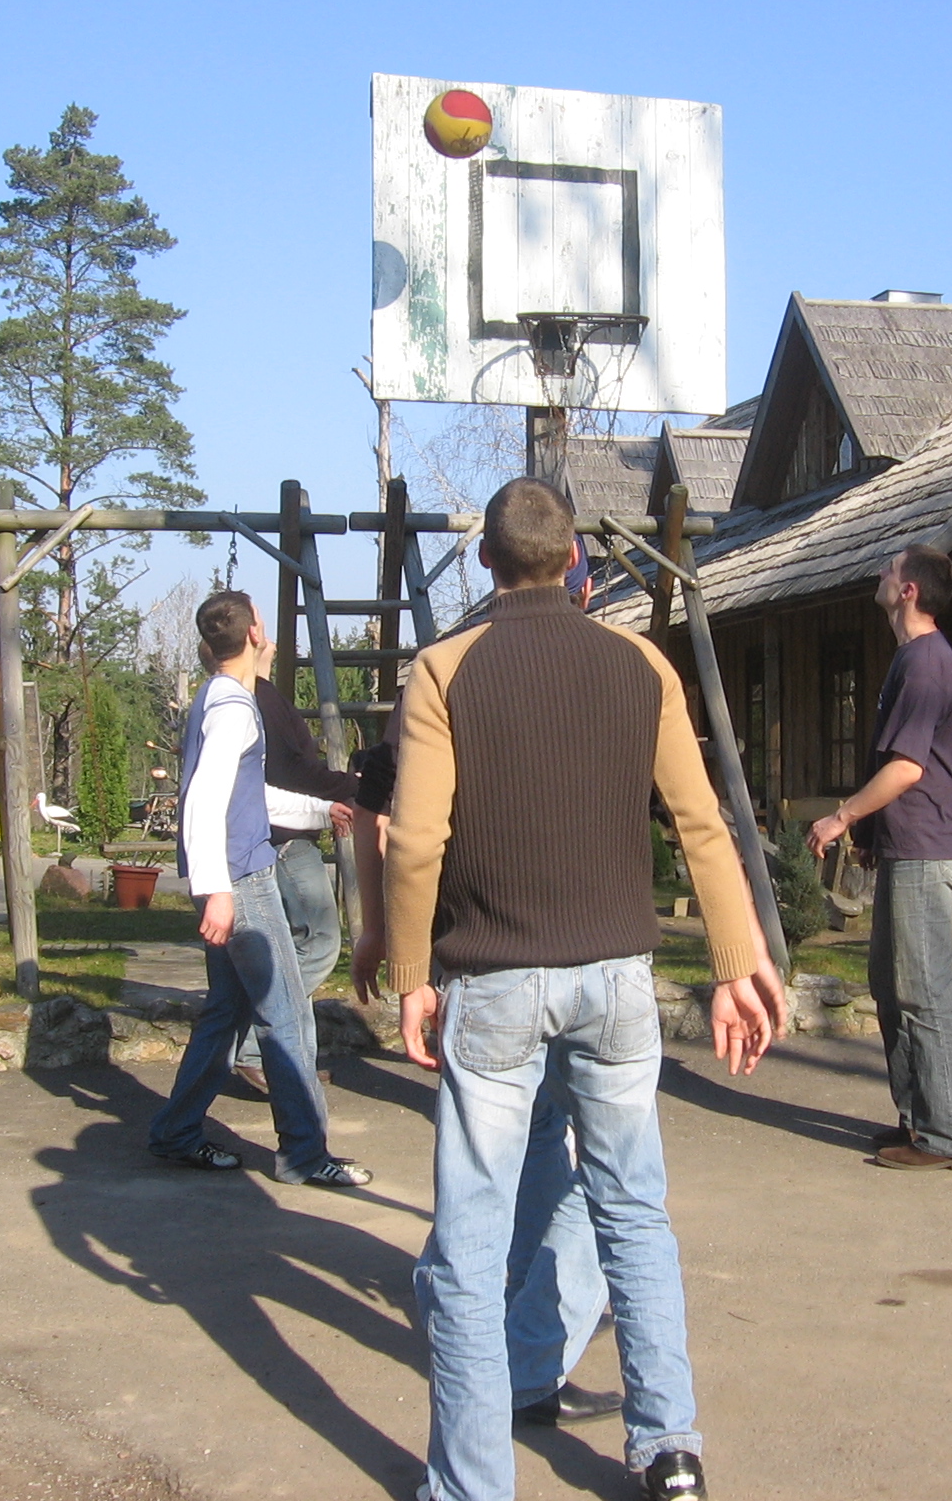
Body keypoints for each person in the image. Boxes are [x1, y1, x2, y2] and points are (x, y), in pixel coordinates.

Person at [387, 477, 786, 1501]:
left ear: (486, 562)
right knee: (632, 1213)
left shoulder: (442, 670)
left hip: (492, 980)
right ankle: (670, 1453)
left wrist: (409, 977)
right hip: (617, 982)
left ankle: (472, 1487)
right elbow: (700, 825)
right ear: (575, 562)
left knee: (470, 1247)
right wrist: (734, 964)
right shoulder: (642, 665)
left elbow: (416, 841)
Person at [347, 547, 627, 1435]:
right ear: (577, 578)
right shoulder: (574, 672)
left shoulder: (456, 665)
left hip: (486, 953)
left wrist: (384, 933)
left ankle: (480, 1311)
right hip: (537, 954)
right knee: (599, 1178)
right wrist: (392, 942)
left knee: (512, 1153)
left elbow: (378, 806)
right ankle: (526, 1352)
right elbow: (391, 812)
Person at [145, 589, 371, 1189]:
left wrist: (319, 810)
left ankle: (176, 1131)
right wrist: (217, 890)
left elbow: (245, 795)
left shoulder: (220, 697)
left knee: (227, 1011)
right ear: (253, 634)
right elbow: (203, 800)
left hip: (233, 878)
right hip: (242, 881)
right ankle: (304, 1154)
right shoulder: (233, 707)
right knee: (287, 1014)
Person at [809, 546, 952, 1172]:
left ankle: (949, 1136)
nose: (881, 576)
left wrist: (843, 816)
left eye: (890, 570)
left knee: (923, 992)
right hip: (904, 847)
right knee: (891, 987)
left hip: (924, 852)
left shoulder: (927, 665)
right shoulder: (912, 659)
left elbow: (907, 769)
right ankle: (918, 1120)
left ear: (908, 591)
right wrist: (870, 833)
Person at [230, 631, 359, 1094]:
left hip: (289, 831)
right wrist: (349, 788)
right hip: (284, 839)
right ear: (252, 638)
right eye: (260, 627)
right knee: (319, 942)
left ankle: (290, 1057)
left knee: (289, 950)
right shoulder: (257, 701)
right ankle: (252, 1048)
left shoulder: (262, 695)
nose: (269, 635)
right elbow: (288, 774)